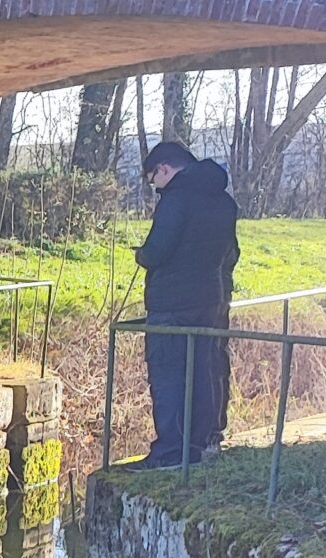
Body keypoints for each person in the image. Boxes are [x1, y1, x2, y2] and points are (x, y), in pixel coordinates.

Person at [131, 141, 240, 470]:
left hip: (172, 303)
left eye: (154, 180)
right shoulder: (223, 201)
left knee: (169, 375)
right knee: (206, 371)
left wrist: (141, 254)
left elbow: (157, 250)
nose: (156, 188)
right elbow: (231, 253)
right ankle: (204, 441)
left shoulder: (176, 200)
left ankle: (170, 452)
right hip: (211, 299)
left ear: (164, 168)